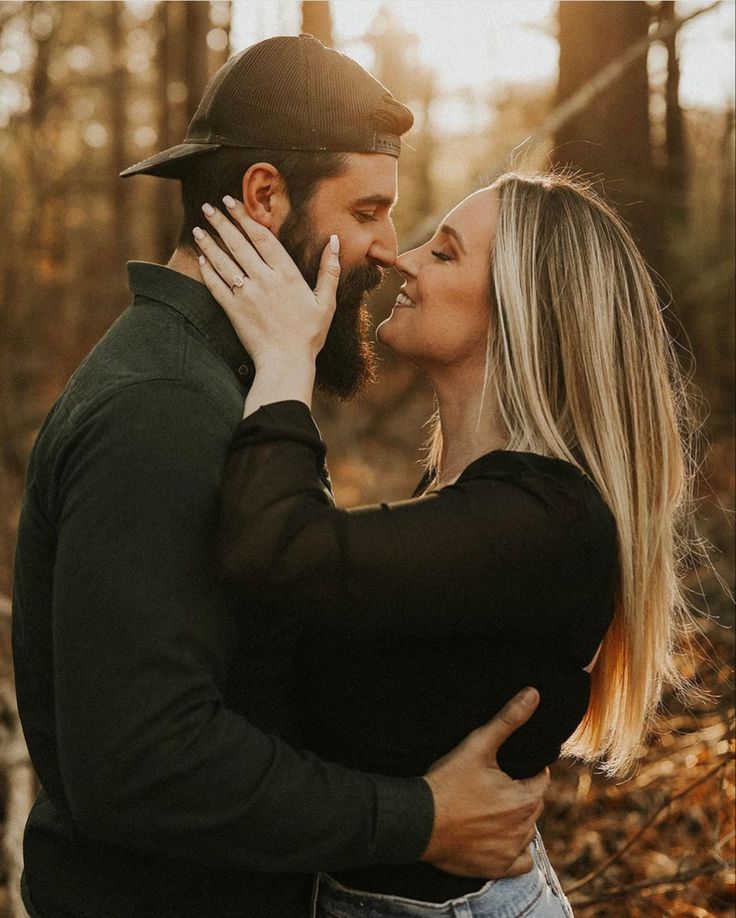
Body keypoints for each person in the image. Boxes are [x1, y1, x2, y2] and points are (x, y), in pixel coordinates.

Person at [11, 36, 549, 918]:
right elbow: (144, 760)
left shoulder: (226, 385)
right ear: (264, 195)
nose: (385, 249)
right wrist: (417, 818)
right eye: (369, 209)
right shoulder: (162, 407)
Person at [194, 169, 699, 917]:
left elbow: (279, 551)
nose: (405, 258)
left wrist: (284, 360)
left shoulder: (542, 521)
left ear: (523, 312)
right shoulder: (483, 497)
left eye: (448, 252)